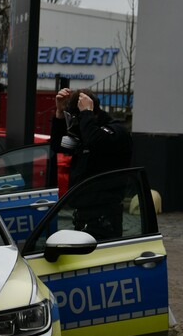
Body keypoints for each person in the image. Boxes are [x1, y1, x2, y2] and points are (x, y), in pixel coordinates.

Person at [50, 88, 132, 239]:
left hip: (104, 216)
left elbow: (94, 142)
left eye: (78, 119)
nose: (76, 125)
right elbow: (57, 145)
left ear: (92, 113)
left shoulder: (116, 132)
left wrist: (86, 113)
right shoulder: (86, 134)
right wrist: (60, 114)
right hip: (83, 215)